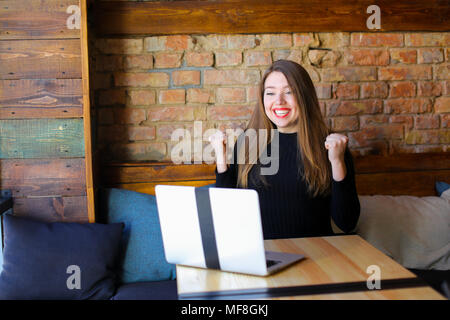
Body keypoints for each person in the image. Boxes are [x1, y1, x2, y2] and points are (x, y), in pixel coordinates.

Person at [209, 59, 360, 239]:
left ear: (304, 96)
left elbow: (347, 223)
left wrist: (337, 161)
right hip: (261, 256)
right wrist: (221, 157)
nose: (279, 101)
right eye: (270, 93)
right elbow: (225, 212)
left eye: (289, 92)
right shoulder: (248, 142)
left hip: (315, 256)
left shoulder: (331, 146)